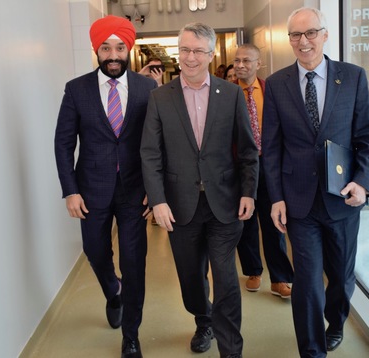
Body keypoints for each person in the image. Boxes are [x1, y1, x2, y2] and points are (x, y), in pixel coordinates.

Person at [262, 7, 369, 357]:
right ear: (290, 41)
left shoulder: (353, 77)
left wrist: (363, 182)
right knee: (308, 283)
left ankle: (337, 319)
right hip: (299, 202)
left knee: (342, 280)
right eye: (296, 35)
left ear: (325, 35)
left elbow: (368, 137)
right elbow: (271, 148)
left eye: (311, 33)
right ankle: (312, 350)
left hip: (342, 199)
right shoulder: (277, 84)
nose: (304, 41)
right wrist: (277, 198)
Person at [140, 22, 259, 358]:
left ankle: (230, 348)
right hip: (180, 206)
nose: (190, 58)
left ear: (210, 54)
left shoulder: (231, 93)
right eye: (185, 50)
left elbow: (248, 151)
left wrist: (249, 192)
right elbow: (150, 153)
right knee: (191, 278)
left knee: (225, 278)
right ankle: (203, 319)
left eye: (197, 51)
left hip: (225, 204)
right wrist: (158, 200)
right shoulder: (160, 98)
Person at [54, 15, 157, 358]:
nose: (113, 54)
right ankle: (113, 289)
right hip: (90, 190)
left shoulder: (147, 89)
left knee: (134, 261)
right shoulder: (76, 88)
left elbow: (158, 143)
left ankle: (131, 336)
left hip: (134, 192)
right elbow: (63, 143)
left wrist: (155, 192)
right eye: (105, 47)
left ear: (128, 49)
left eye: (119, 47)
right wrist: (70, 190)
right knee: (95, 252)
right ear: (96, 50)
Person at [233, 44, 294, 297]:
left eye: (247, 61)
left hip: (269, 166)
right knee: (245, 222)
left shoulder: (272, 90)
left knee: (273, 222)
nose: (240, 65)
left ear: (259, 64)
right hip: (239, 167)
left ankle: (279, 278)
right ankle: (253, 271)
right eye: (237, 61)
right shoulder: (225, 93)